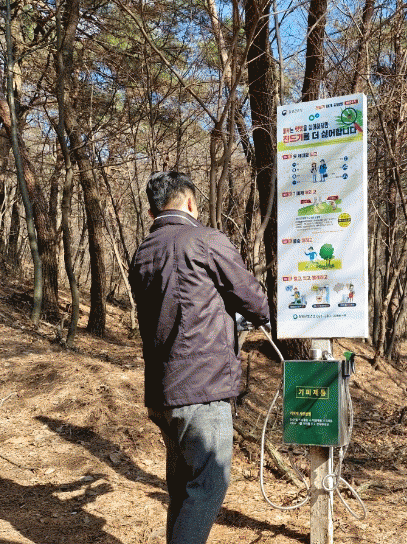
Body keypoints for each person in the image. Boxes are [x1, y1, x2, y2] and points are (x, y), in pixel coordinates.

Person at [129, 171, 270, 544]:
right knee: (209, 483)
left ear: (152, 211)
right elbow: (254, 301)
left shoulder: (143, 252)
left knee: (182, 488)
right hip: (202, 388)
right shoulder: (206, 240)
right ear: (190, 202)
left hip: (162, 392)